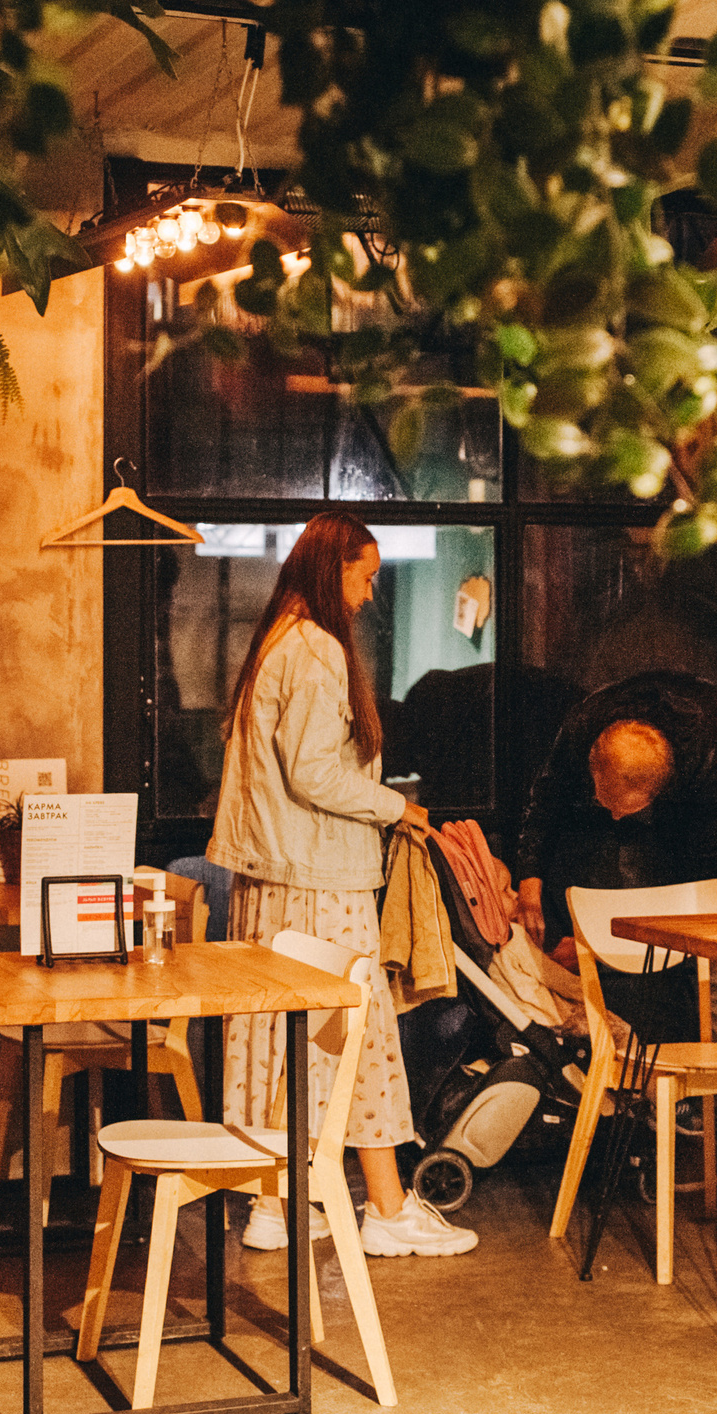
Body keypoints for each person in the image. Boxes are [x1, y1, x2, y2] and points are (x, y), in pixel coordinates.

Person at [208, 511, 478, 1257]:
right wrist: (399, 806)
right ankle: (385, 1211)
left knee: (286, 1040)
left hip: (275, 877)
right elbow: (317, 772)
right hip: (320, 880)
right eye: (364, 576)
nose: (367, 594)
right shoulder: (317, 649)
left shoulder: (276, 642)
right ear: (335, 571)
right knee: (350, 1037)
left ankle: (277, 1201)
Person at [516, 670, 717, 968]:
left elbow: (711, 888)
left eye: (625, 808)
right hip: (680, 795)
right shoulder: (585, 724)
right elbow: (547, 795)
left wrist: (602, 951)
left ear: (657, 790)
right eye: (602, 800)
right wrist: (529, 883)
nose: (615, 816)